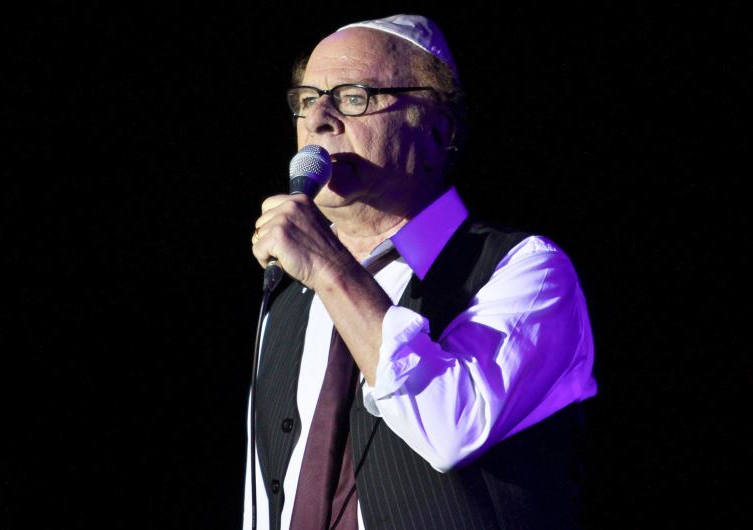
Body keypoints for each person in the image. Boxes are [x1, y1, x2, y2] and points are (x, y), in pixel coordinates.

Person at [245, 14, 597, 530]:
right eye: (307, 99)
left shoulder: (528, 270)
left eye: (354, 96)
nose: (318, 118)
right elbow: (264, 492)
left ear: (437, 130)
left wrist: (329, 269)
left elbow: (450, 428)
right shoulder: (289, 291)